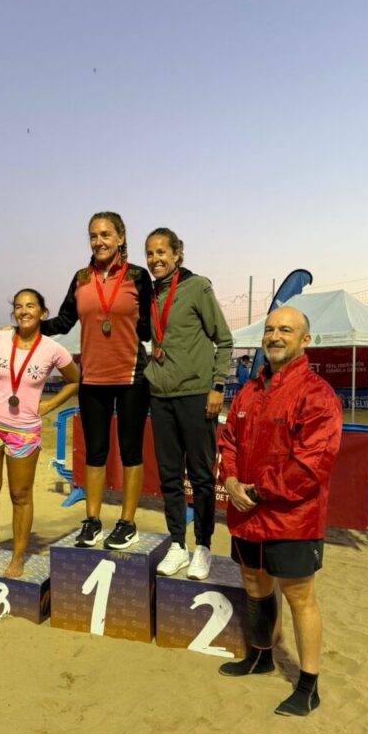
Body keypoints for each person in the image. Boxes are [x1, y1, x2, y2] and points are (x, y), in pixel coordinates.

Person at [217, 306, 342, 717]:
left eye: (285, 330)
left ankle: (308, 685)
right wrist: (230, 480)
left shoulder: (317, 394)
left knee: (299, 596)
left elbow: (312, 464)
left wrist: (258, 490)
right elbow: (228, 440)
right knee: (255, 584)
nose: (274, 336)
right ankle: (261, 655)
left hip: (292, 518)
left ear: (305, 340)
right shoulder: (249, 391)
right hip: (246, 514)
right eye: (270, 329)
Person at [41, 211, 152, 550]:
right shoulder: (80, 278)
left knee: (130, 452)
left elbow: (150, 328)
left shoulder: (138, 276)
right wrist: (27, 328)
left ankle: (127, 522)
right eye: (93, 235)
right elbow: (63, 322)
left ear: (120, 237)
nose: (99, 241)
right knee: (95, 452)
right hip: (92, 378)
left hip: (131, 376)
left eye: (105, 234)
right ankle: (92, 521)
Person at [0, 289, 80, 577]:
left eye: (30, 306)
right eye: (18, 306)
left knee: (20, 495)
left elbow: (75, 380)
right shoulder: (0, 339)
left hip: (24, 431)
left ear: (42, 312)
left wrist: (49, 404)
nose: (24, 311)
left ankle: (17, 557)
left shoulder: (53, 349)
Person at [144, 227, 233, 581]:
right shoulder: (150, 294)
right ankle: (178, 544)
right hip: (161, 396)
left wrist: (218, 386)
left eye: (161, 252)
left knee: (200, 476)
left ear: (177, 253)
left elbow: (224, 340)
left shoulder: (197, 287)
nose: (155, 259)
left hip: (197, 395)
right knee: (168, 477)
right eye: (150, 253)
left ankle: (204, 546)